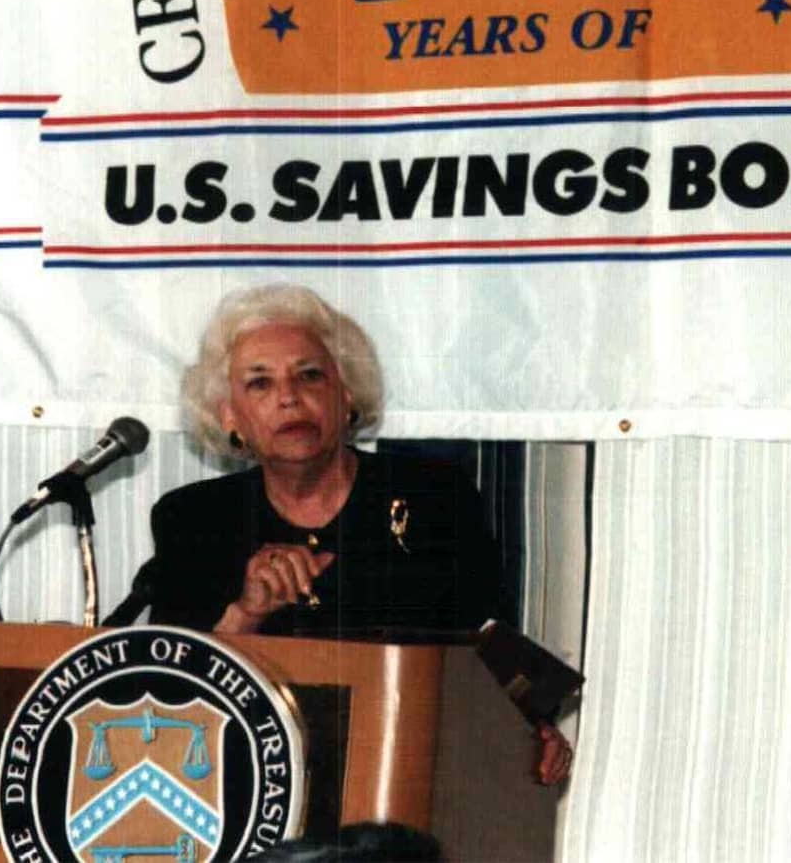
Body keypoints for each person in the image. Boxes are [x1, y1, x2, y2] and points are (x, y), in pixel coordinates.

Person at [141, 283, 573, 786]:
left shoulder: (435, 498)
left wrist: (532, 729)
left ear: (345, 396)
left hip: (410, 771)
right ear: (229, 417)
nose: (289, 397)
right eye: (259, 383)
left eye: (309, 375)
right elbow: (173, 698)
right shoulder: (194, 520)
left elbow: (493, 648)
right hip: (252, 778)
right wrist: (245, 613)